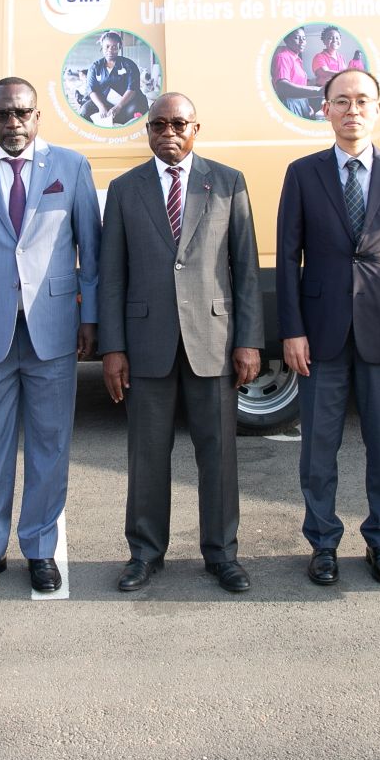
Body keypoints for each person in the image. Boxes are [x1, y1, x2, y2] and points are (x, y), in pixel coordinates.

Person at [0, 78, 100, 594]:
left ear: (37, 116)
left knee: (51, 446)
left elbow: (90, 257)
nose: (14, 123)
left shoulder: (71, 168)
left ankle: (39, 548)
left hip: (53, 328)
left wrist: (90, 320)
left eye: (23, 113)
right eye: (3, 114)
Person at [99, 93, 262, 594]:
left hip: (213, 339)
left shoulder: (227, 182)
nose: (168, 132)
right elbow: (112, 275)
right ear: (147, 130)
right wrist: (113, 348)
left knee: (218, 454)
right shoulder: (126, 189)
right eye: (158, 124)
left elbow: (245, 268)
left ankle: (222, 554)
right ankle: (145, 553)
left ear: (196, 128)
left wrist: (250, 341)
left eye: (178, 123)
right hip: (146, 341)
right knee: (147, 454)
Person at [276, 68, 380, 586]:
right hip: (319, 334)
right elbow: (288, 257)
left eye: (362, 100)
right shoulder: (302, 174)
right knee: (318, 447)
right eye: (341, 101)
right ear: (324, 110)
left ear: (377, 108)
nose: (352, 110)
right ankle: (322, 542)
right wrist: (292, 331)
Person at [80, 31, 149, 127]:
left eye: (114, 47)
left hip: (127, 102)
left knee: (134, 113)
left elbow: (132, 88)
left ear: (119, 47)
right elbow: (92, 90)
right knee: (85, 110)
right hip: (104, 103)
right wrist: (101, 107)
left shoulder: (129, 65)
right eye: (107, 46)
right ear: (102, 47)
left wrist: (119, 106)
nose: (110, 50)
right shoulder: (95, 67)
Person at [270, 27, 322, 118]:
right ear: (287, 40)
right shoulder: (283, 57)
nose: (302, 41)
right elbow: (282, 87)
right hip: (290, 103)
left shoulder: (296, 58)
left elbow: (298, 83)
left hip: (300, 101)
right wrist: (318, 91)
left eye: (304, 38)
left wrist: (305, 104)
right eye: (297, 38)